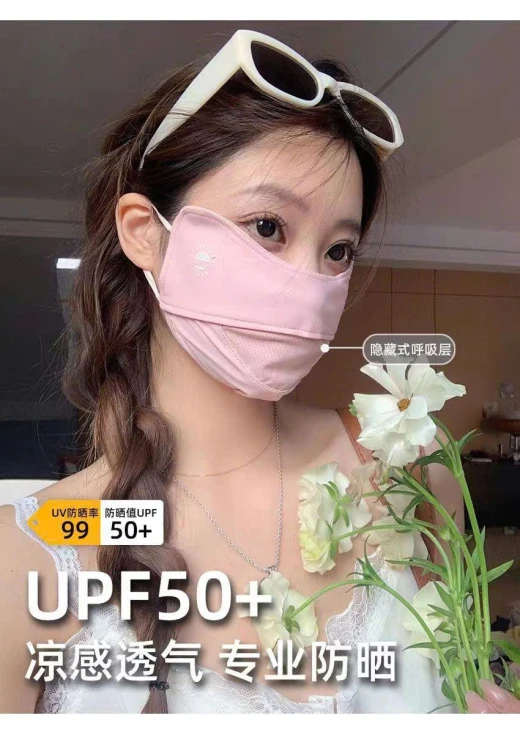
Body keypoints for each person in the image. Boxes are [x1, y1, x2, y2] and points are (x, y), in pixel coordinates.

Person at [0, 29, 506, 715]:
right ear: (145, 232)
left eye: (338, 250)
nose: (310, 283)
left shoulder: (407, 471)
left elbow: (461, 675)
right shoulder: (30, 556)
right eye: (268, 227)